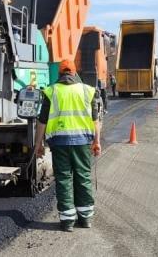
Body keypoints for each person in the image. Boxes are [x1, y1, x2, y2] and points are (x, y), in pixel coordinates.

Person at [35, 59, 102, 232]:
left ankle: (67, 221)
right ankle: (85, 218)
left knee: (64, 179)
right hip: (82, 142)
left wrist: (38, 145)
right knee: (83, 177)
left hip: (59, 143)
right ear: (74, 73)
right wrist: (97, 142)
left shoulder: (51, 91)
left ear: (59, 74)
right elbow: (96, 120)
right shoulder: (87, 91)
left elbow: (42, 122)